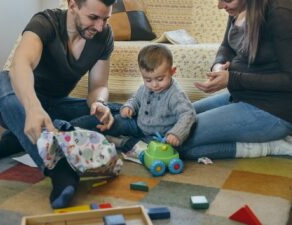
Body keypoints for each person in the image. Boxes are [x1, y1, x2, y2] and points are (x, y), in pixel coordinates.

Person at [0, 0, 119, 209]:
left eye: (106, 19)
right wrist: (32, 107)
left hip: (57, 106)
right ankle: (59, 169)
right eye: (93, 18)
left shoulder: (104, 35)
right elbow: (20, 64)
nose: (100, 26)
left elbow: (98, 85)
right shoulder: (46, 22)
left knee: (116, 111)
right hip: (22, 102)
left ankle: (17, 140)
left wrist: (99, 103)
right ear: (72, 5)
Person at [178, 0, 292, 159]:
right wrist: (218, 66)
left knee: (178, 140)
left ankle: (270, 146)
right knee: (175, 120)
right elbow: (226, 47)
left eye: (227, 0)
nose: (219, 6)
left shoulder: (281, 11)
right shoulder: (240, 8)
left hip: (273, 111)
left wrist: (232, 79)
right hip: (241, 97)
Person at [71, 44, 196, 150]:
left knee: (146, 147)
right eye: (148, 79)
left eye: (160, 79)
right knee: (115, 121)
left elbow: (188, 113)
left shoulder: (175, 94)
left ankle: (121, 142)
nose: (154, 85)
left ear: (172, 71)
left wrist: (176, 134)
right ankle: (77, 130)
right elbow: (135, 100)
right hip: (138, 124)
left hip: (158, 136)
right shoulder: (145, 88)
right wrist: (129, 107)